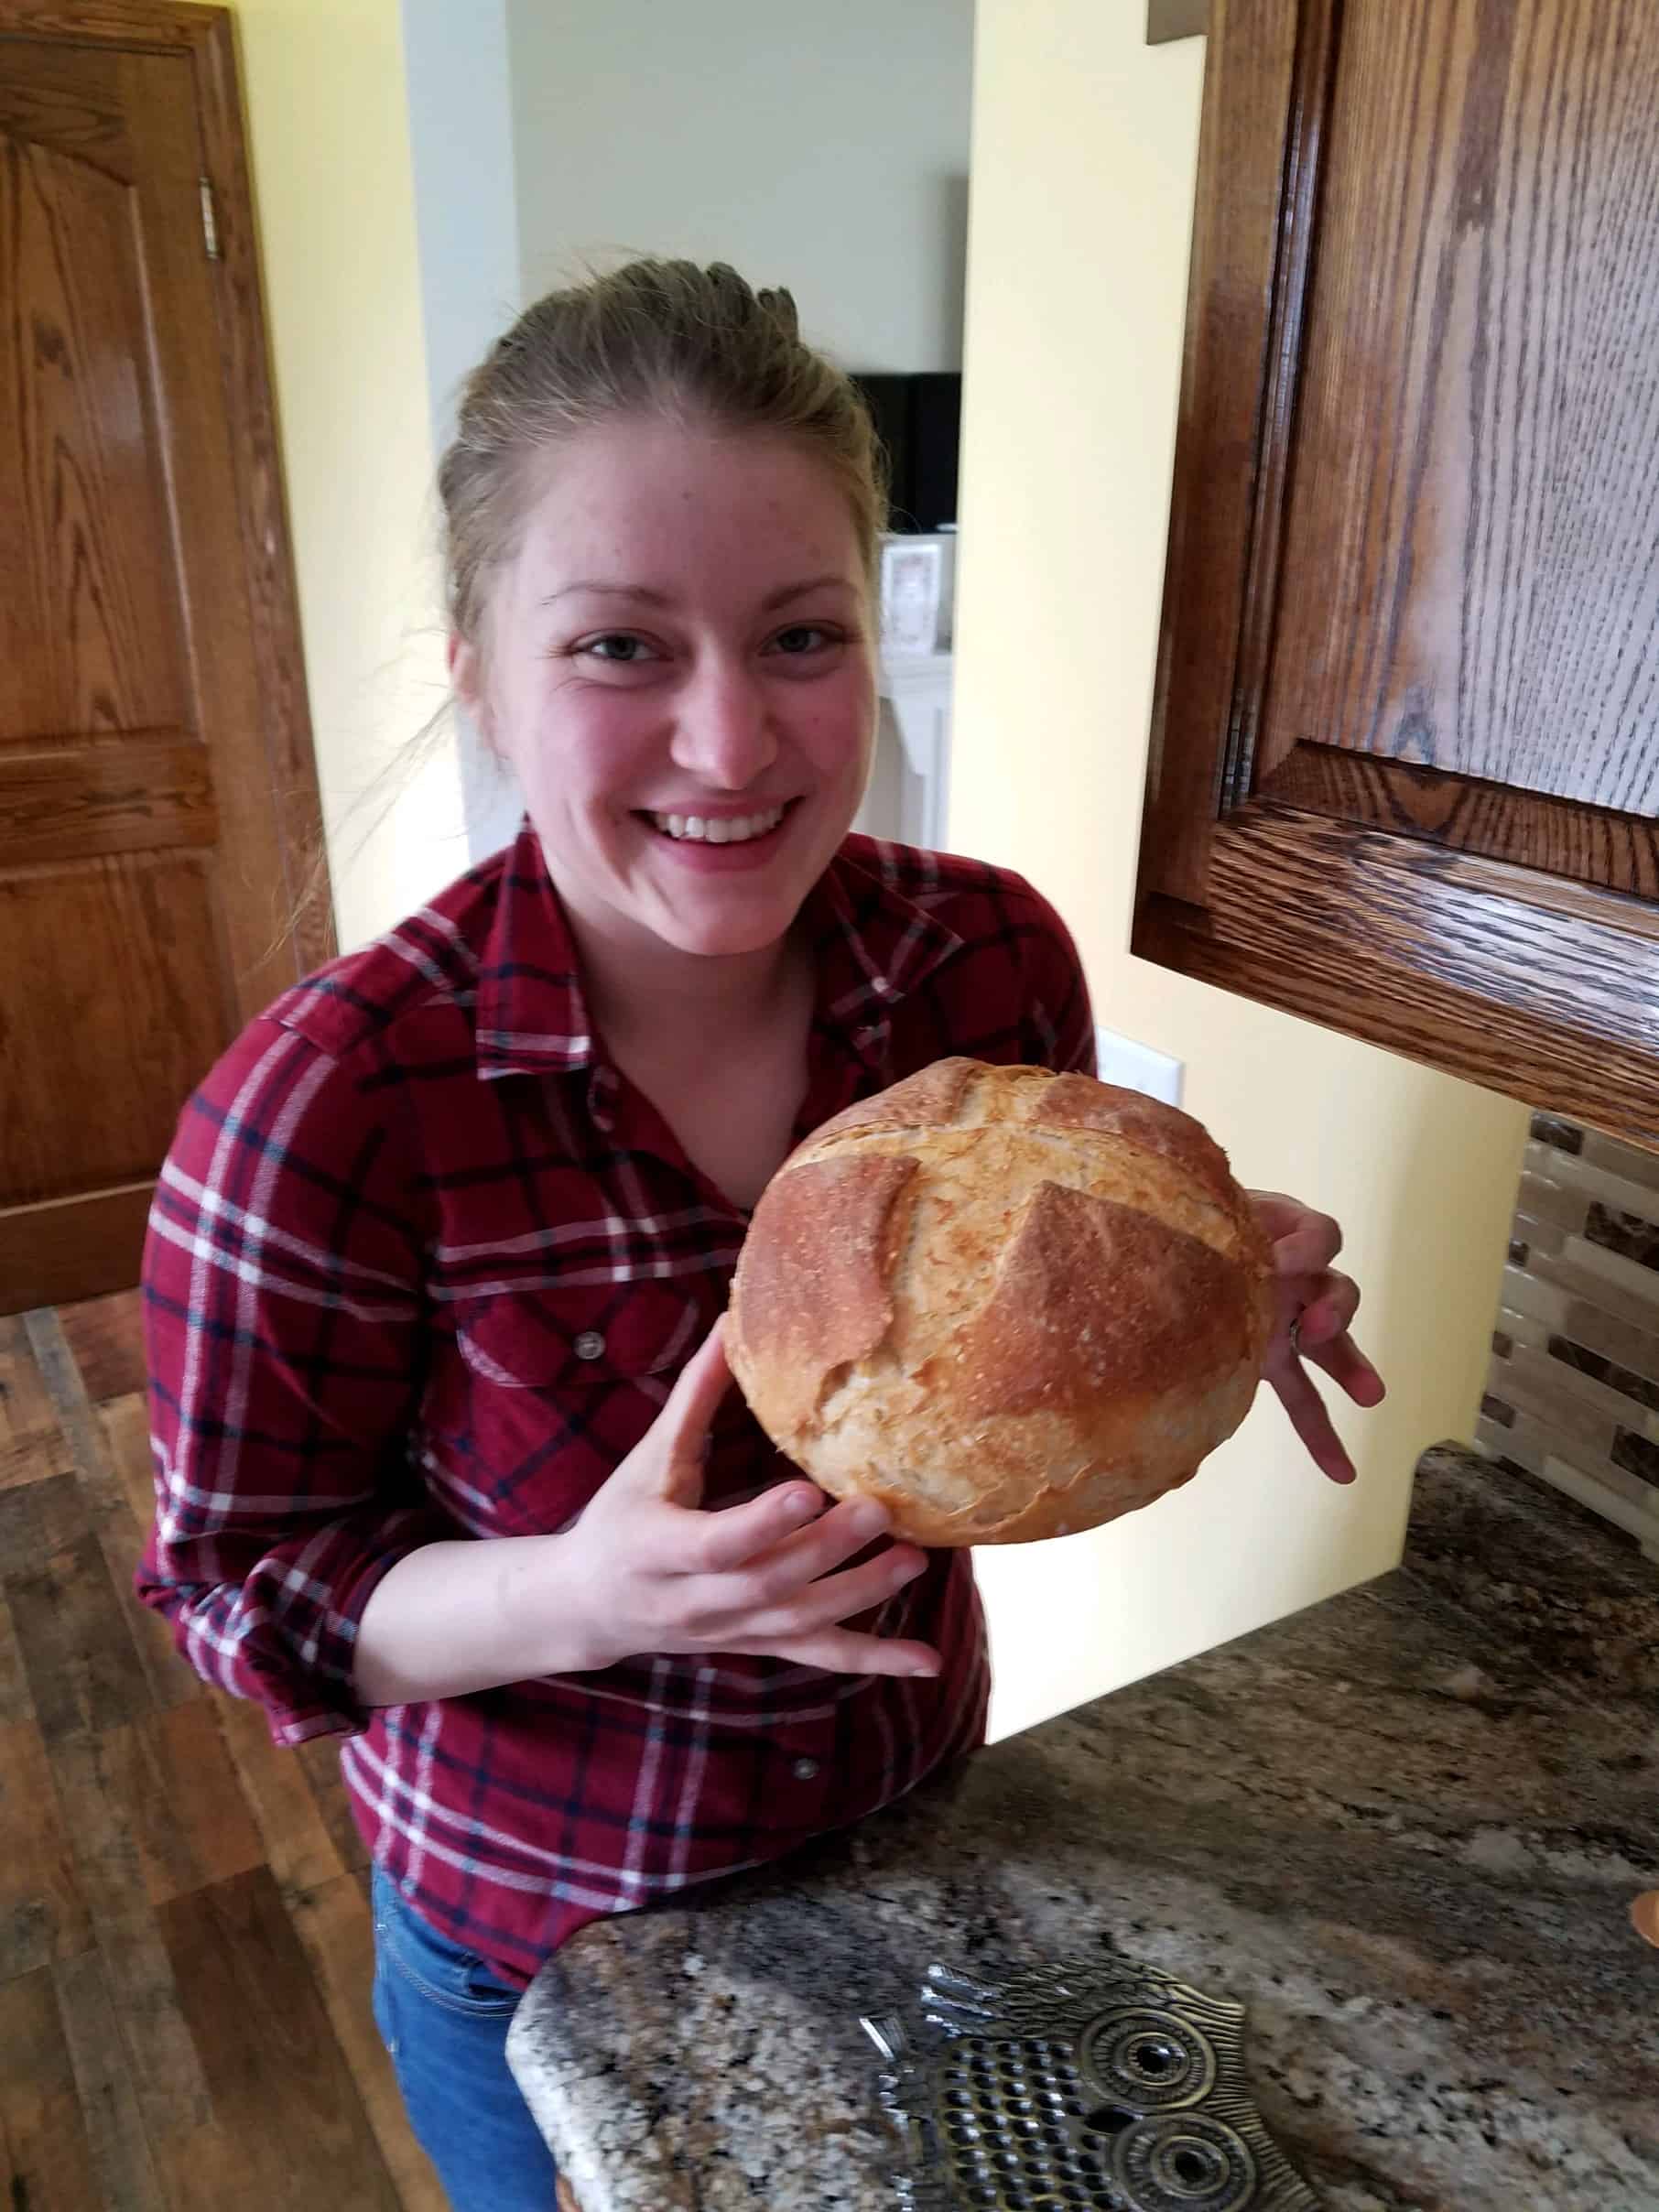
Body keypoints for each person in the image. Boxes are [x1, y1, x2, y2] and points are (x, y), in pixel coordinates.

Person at [138, 259, 1384, 2211]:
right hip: (552, 1952)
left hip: (922, 1832)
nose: (732, 744)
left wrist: (1208, 1291)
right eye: (622, 646)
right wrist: (597, 1590)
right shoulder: (326, 1106)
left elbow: (1006, 1417)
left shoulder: (981, 958)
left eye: (799, 635)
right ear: (476, 659)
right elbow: (244, 1592)